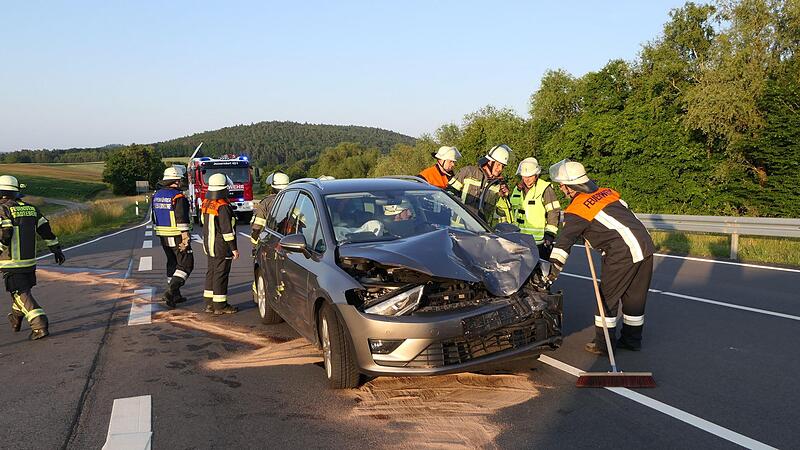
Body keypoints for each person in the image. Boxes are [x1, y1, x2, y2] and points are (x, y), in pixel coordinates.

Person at [546, 159, 654, 354]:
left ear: (571, 186)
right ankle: (632, 340)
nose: (561, 189)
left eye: (562, 185)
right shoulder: (606, 192)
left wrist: (551, 272)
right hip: (645, 244)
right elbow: (623, 211)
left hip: (622, 252)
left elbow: (563, 244)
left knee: (607, 298)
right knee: (635, 298)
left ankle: (604, 345)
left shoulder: (577, 210)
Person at [0, 175, 66, 340]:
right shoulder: (31, 209)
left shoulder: (3, 210)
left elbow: (5, 235)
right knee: (22, 292)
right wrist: (56, 249)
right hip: (29, 263)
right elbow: (46, 230)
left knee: (19, 293)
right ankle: (15, 317)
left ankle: (39, 325)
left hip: (11, 262)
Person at [152, 167, 193, 308]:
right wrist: (185, 237)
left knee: (172, 263)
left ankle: (176, 296)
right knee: (186, 264)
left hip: (163, 236)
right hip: (176, 235)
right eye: (179, 180)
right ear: (175, 181)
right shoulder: (178, 197)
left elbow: (154, 217)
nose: (181, 182)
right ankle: (171, 292)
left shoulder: (157, 195)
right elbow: (181, 217)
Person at [201, 173, 240, 314]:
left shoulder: (207, 204)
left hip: (208, 245)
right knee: (221, 274)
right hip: (221, 246)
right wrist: (234, 248)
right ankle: (220, 305)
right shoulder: (223, 206)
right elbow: (227, 230)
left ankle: (209, 304)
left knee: (211, 272)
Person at [508, 157, 561, 259]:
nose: (526, 179)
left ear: (536, 175)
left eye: (530, 176)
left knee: (539, 272)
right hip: (519, 239)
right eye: (524, 176)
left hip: (538, 242)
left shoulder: (545, 188)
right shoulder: (517, 189)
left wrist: (550, 234)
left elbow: (554, 212)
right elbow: (511, 210)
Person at [452, 144, 513, 226]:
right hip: (459, 228)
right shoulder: (468, 172)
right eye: (498, 165)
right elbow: (449, 194)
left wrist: (504, 197)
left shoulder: (499, 185)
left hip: (481, 231)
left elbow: (501, 214)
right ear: (490, 162)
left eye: (503, 166)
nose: (500, 169)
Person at [250, 171, 289, 252]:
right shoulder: (295, 199)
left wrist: (255, 246)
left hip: (270, 245)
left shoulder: (266, 203)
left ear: (273, 187)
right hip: (292, 245)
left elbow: (257, 227)